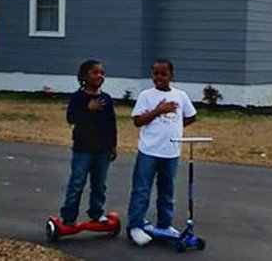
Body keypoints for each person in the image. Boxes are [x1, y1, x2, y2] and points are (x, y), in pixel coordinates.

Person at [127, 59, 197, 246]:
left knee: (167, 190)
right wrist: (159, 110)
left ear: (171, 76)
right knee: (142, 189)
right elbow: (138, 121)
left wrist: (176, 127)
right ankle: (135, 225)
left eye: (163, 74)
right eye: (155, 74)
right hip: (149, 151)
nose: (159, 77)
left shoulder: (180, 95)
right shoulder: (146, 95)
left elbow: (191, 116)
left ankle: (164, 224)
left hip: (171, 152)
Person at [59, 59, 117, 226]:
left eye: (102, 73)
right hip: (83, 149)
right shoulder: (78, 97)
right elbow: (71, 118)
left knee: (99, 185)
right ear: (85, 76)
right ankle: (69, 217)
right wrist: (87, 109)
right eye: (95, 72)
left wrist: (113, 145)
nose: (99, 75)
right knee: (77, 183)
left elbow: (111, 123)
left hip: (103, 149)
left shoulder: (106, 98)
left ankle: (97, 213)